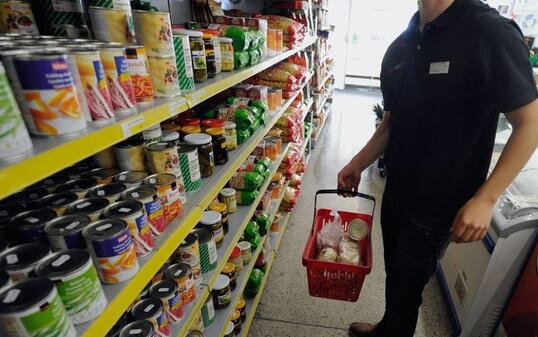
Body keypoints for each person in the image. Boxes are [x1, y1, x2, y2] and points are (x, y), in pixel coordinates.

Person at [337, 0, 538, 336]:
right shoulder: (400, 46)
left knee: (406, 285)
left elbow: (530, 123)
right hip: (398, 190)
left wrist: (486, 199)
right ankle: (390, 327)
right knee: (396, 276)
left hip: (439, 205)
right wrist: (357, 163)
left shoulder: (487, 31)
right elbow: (390, 123)